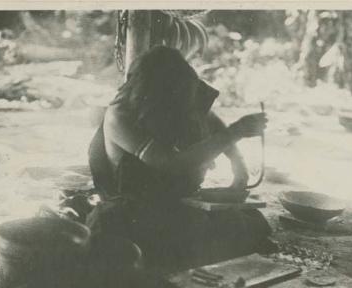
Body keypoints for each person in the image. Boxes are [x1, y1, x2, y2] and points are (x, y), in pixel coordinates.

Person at [86, 46, 271, 270]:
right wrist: (235, 132)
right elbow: (170, 164)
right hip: (134, 209)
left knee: (252, 224)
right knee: (152, 248)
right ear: (152, 92)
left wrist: (238, 164)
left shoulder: (177, 95)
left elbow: (209, 118)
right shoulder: (120, 116)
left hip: (176, 202)